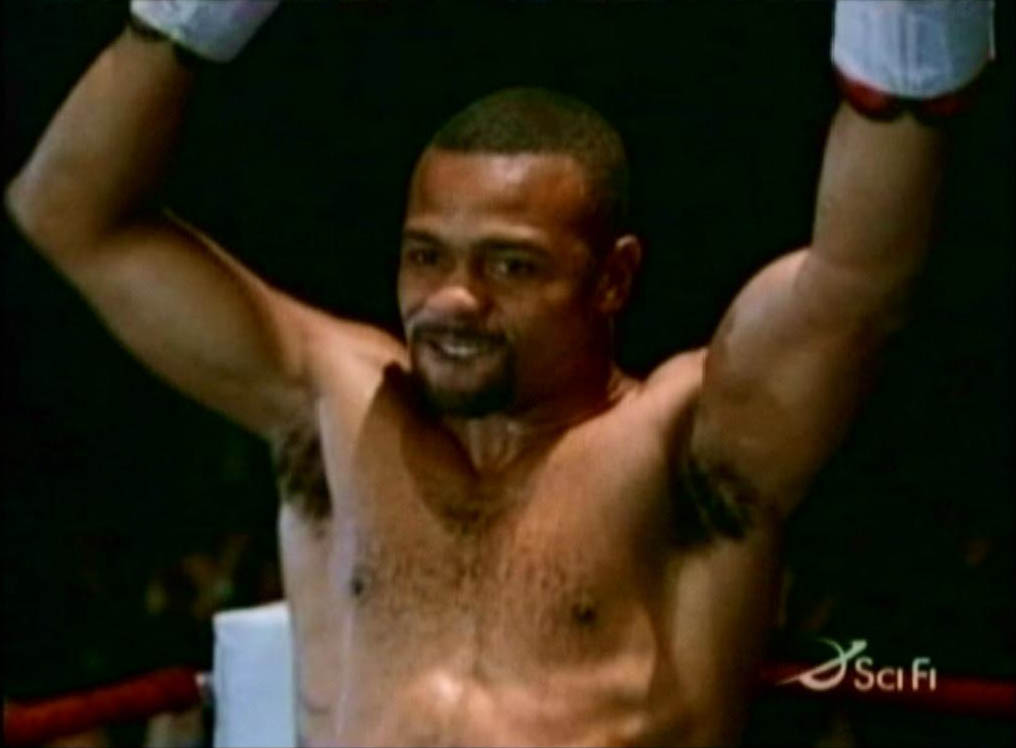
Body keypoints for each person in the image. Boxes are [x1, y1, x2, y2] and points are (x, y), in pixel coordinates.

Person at [5, 1, 995, 745]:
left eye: (509, 266)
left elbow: (858, 278)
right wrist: (192, 13)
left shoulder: (689, 445)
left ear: (612, 278)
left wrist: (907, 25)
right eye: (425, 255)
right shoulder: (335, 408)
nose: (453, 298)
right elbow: (68, 213)